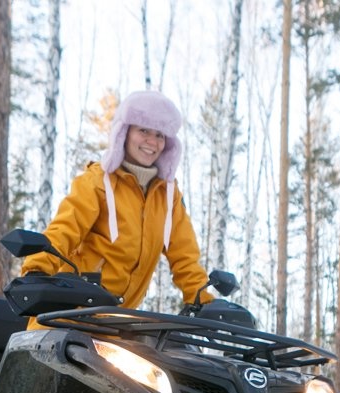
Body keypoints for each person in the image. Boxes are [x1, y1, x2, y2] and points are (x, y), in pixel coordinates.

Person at [22, 90, 212, 311]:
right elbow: (64, 229)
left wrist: (201, 298)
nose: (152, 141)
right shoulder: (97, 182)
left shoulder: (167, 196)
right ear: (125, 132)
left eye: (160, 134)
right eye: (144, 130)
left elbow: (185, 256)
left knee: (165, 346)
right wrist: (36, 270)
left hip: (119, 326)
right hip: (68, 316)